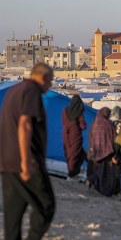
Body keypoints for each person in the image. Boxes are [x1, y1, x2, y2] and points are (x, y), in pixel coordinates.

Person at [0, 63, 55, 240]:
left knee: (13, 214)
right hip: (27, 162)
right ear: (45, 78)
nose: (51, 85)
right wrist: (26, 162)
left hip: (7, 162)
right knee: (46, 205)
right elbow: (24, 124)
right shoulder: (32, 91)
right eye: (51, 80)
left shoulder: (14, 90)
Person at [88, 107, 116, 196]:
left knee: (97, 170)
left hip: (96, 151)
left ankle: (96, 185)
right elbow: (113, 137)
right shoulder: (108, 124)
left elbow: (90, 136)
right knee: (106, 172)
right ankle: (105, 190)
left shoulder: (94, 123)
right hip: (107, 152)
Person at [62, 95, 87, 179]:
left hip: (66, 135)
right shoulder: (79, 112)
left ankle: (74, 170)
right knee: (75, 153)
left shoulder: (64, 111)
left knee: (69, 152)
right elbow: (83, 126)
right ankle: (72, 172)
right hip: (75, 135)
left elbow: (64, 122)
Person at [109, 106, 121, 194]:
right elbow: (119, 141)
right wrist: (116, 155)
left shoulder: (107, 122)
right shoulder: (120, 124)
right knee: (116, 172)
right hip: (116, 152)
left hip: (107, 151)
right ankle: (115, 190)